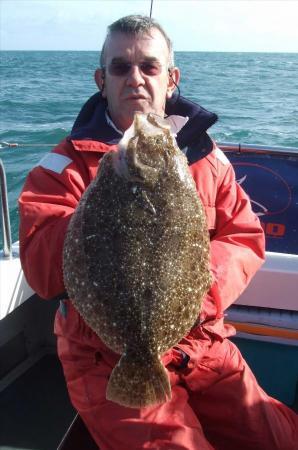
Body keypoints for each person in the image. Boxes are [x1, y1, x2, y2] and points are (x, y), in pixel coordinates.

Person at [19, 15, 297, 450]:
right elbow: (42, 271)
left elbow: (243, 236)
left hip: (205, 343)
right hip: (105, 356)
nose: (135, 79)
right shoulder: (62, 169)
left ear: (171, 79)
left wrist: (191, 298)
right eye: (120, 68)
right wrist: (104, 198)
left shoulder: (207, 160)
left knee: (277, 438)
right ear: (101, 80)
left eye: (149, 67)